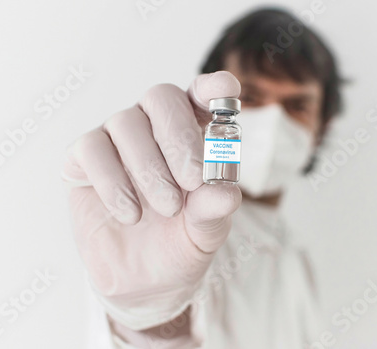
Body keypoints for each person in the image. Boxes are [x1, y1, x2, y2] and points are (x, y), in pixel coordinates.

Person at [62, 7, 342, 349]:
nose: (272, 125)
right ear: (214, 108)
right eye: (251, 98)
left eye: (297, 105)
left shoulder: (296, 255)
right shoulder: (171, 226)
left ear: (322, 125)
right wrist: (148, 314)